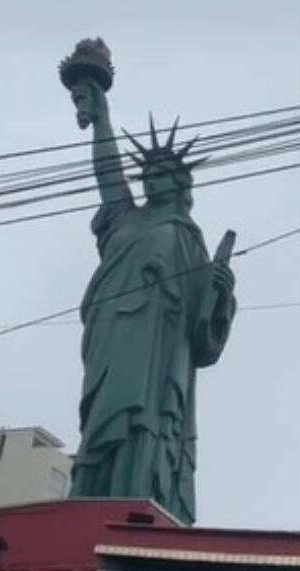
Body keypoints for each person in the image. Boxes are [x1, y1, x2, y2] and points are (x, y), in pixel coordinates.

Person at [65, 79, 236, 525]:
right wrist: (101, 116)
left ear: (181, 183)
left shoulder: (187, 238)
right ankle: (92, 495)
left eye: (162, 175)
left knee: (144, 420)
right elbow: (108, 173)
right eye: (148, 175)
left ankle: (138, 492)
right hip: (112, 332)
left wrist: (220, 293)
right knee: (102, 415)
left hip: (159, 348)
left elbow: (203, 336)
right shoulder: (126, 216)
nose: (152, 182)